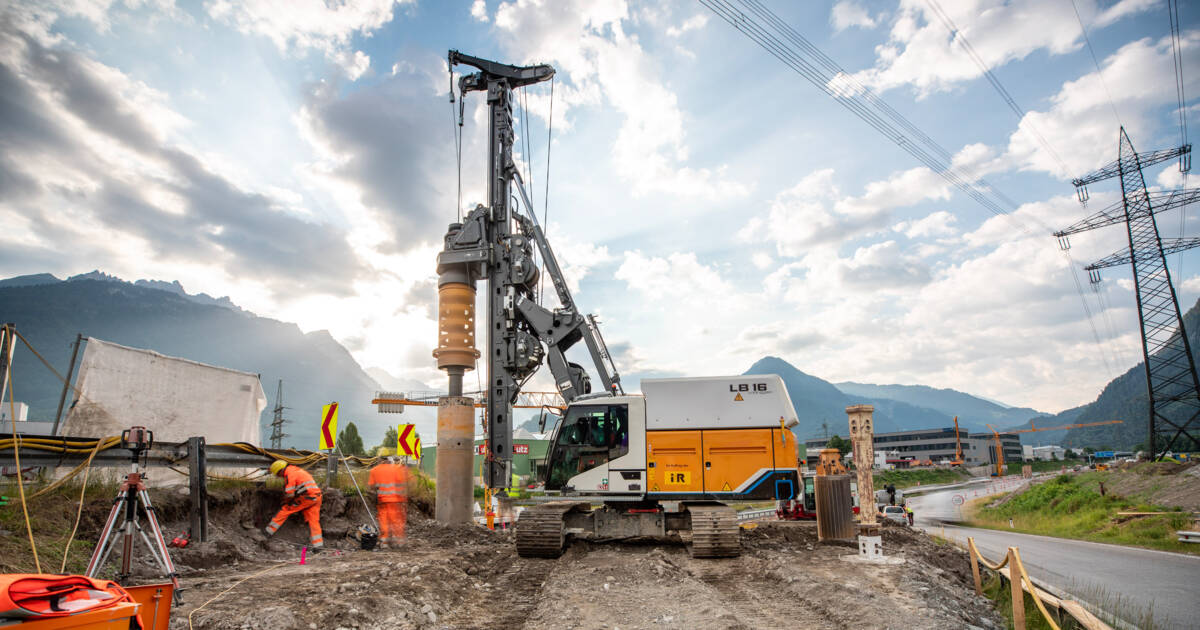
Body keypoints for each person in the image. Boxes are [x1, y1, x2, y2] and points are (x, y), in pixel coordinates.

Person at [264, 460, 323, 550]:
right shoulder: (297, 470)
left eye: (278, 474)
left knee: (286, 509)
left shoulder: (290, 474)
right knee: (313, 521)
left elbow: (290, 494)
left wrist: (285, 501)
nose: (279, 476)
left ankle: (268, 532)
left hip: (307, 497)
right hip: (317, 497)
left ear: (280, 471)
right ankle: (318, 546)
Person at [368, 456, 408, 547]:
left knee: (384, 520)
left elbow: (371, 487)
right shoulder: (396, 469)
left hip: (382, 500)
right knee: (396, 520)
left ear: (379, 460)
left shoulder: (374, 470)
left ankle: (384, 542)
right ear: (389, 460)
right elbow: (403, 483)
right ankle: (399, 541)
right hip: (396, 500)